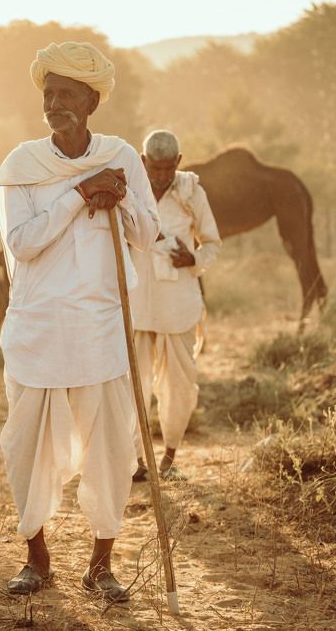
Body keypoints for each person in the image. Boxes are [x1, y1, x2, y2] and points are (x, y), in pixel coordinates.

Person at [0, 41, 160, 602]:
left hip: (101, 326)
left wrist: (120, 196)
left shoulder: (122, 155)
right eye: (48, 93)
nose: (54, 103)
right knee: (25, 446)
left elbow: (147, 232)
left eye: (66, 94)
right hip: (38, 324)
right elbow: (22, 244)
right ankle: (36, 562)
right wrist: (77, 196)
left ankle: (100, 566)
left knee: (111, 446)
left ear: (91, 101)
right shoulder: (24, 164)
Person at [129, 130, 221, 482]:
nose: (161, 175)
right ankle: (136, 458)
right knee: (133, 384)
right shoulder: (131, 190)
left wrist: (193, 260)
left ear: (178, 163)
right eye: (155, 167)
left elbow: (213, 244)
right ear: (143, 162)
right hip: (137, 305)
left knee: (179, 385)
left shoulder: (191, 191)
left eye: (168, 168)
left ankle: (169, 455)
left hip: (179, 304)